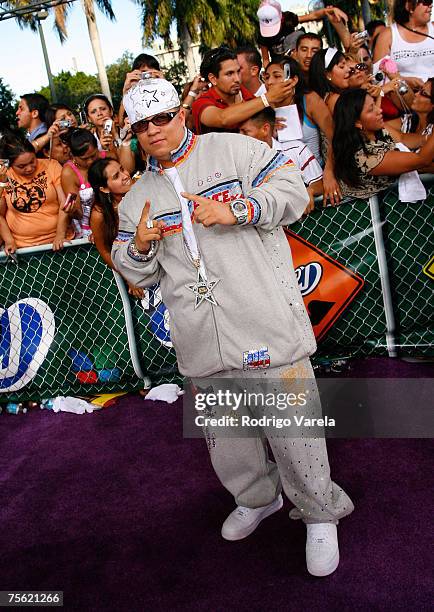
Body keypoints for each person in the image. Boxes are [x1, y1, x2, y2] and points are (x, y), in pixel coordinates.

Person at [112, 76, 354, 578]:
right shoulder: (137, 197)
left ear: (181, 113)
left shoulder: (236, 148)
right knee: (228, 434)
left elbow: (293, 193)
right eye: (142, 125)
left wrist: (236, 209)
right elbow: (135, 271)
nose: (155, 131)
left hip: (264, 319)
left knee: (294, 430)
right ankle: (256, 497)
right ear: (134, 132)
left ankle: (318, 512)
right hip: (201, 337)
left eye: (162, 118)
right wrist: (137, 247)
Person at [263, 57, 340, 204]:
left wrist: (329, 173)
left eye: (277, 76)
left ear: (293, 80)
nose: (270, 82)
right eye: (266, 77)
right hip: (283, 185)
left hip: (316, 178)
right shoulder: (263, 110)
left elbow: (334, 137)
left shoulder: (309, 100)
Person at [332, 88, 434, 199]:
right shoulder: (366, 158)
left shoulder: (376, 129)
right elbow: (422, 160)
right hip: (366, 212)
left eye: (375, 104)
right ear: (357, 122)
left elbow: (403, 139)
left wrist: (427, 137)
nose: (379, 110)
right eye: (371, 109)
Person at [191, 46, 293, 135]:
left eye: (238, 71)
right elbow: (222, 118)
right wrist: (267, 98)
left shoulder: (243, 93)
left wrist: (267, 123)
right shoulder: (201, 103)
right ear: (213, 79)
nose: (237, 79)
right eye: (229, 74)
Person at [239, 107, 323, 213]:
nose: (240, 136)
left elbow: (319, 184)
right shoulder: (240, 161)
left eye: (245, 132)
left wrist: (309, 191)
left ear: (265, 129)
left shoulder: (296, 149)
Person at [0, 133, 72, 252]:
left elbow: (64, 203)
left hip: (59, 241)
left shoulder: (51, 165)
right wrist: (9, 241)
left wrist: (60, 234)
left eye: (32, 161)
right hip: (22, 246)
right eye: (21, 166)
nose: (29, 168)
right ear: (10, 165)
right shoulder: (4, 176)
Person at [88, 157, 143, 299]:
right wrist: (128, 277)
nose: (125, 176)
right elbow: (104, 251)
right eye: (116, 176)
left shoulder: (142, 188)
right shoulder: (99, 214)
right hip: (135, 272)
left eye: (122, 169)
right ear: (104, 188)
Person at [257, 0, 348, 65]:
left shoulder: (288, 19)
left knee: (297, 35)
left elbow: (313, 15)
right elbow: (265, 59)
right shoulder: (263, 34)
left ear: (282, 18)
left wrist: (328, 11)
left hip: (294, 60)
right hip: (279, 65)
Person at [373, 0, 434, 88]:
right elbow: (376, 79)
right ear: (408, 5)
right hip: (402, 95)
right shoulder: (387, 35)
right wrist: (404, 81)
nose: (431, 5)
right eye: (426, 1)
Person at [61, 128, 102, 236]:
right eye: (84, 159)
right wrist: (72, 211)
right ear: (73, 156)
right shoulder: (69, 172)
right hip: (88, 232)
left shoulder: (105, 158)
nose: (90, 161)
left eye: (93, 155)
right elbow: (79, 214)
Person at [309, 47, 350, 114]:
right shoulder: (334, 100)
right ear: (328, 74)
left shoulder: (324, 97)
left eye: (347, 65)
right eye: (341, 67)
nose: (348, 69)